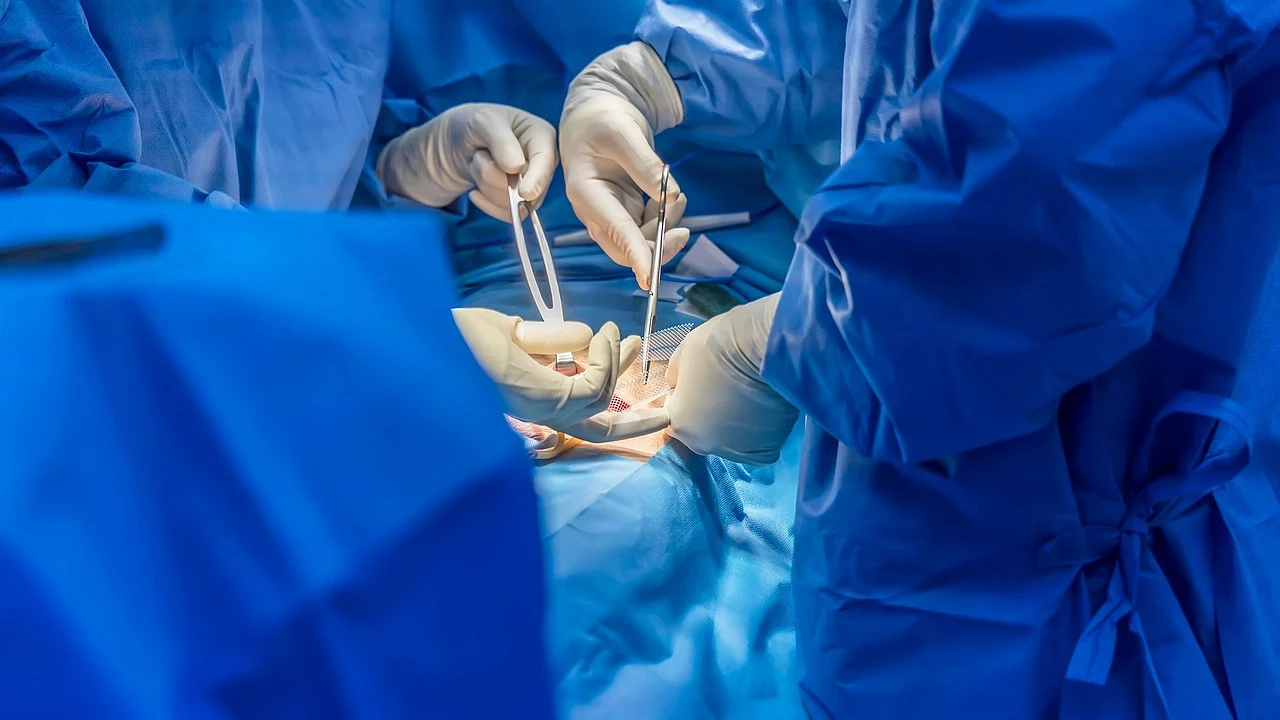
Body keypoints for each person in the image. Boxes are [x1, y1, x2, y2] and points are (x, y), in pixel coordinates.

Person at [558, 1, 1280, 718]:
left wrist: (803, 337)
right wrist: (669, 71)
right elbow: (891, 21)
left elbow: (1033, 203)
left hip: (1060, 525)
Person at [0, 0, 666, 443]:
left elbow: (287, 140)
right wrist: (353, 324)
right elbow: (47, 232)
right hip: (100, 399)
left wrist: (401, 170)